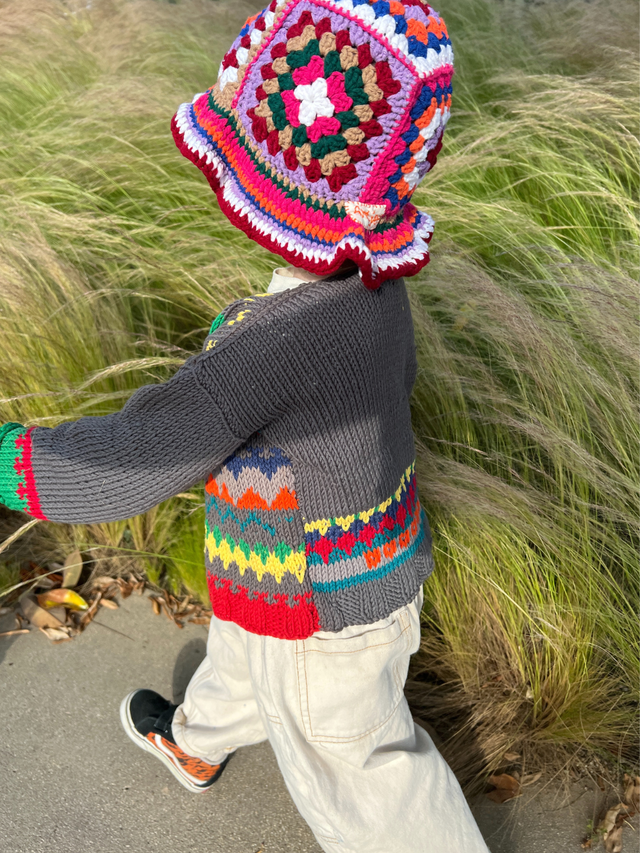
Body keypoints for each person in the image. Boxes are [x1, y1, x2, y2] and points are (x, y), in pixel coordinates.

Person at [0, 0, 489, 849]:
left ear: (274, 188)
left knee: (368, 782)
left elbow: (135, 458)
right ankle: (194, 745)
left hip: (323, 622)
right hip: (319, 560)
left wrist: (15, 460)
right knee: (239, 647)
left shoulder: (277, 344)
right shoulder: (373, 284)